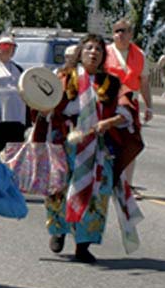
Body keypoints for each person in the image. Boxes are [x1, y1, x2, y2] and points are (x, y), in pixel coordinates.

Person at [42, 34, 144, 263]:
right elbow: (46, 104)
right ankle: (58, 231)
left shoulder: (112, 82)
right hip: (66, 143)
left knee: (97, 194)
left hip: (98, 147)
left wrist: (108, 123)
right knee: (60, 189)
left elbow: (127, 112)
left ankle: (83, 244)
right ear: (81, 52)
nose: (93, 53)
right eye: (89, 48)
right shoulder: (65, 77)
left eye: (98, 49)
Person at [104, 19, 153, 197]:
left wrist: (149, 106)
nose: (120, 34)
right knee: (107, 144)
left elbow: (145, 82)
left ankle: (126, 185)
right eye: (117, 31)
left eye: (124, 31)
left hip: (130, 104)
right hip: (108, 103)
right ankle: (107, 180)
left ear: (131, 34)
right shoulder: (105, 52)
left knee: (131, 144)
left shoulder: (139, 54)